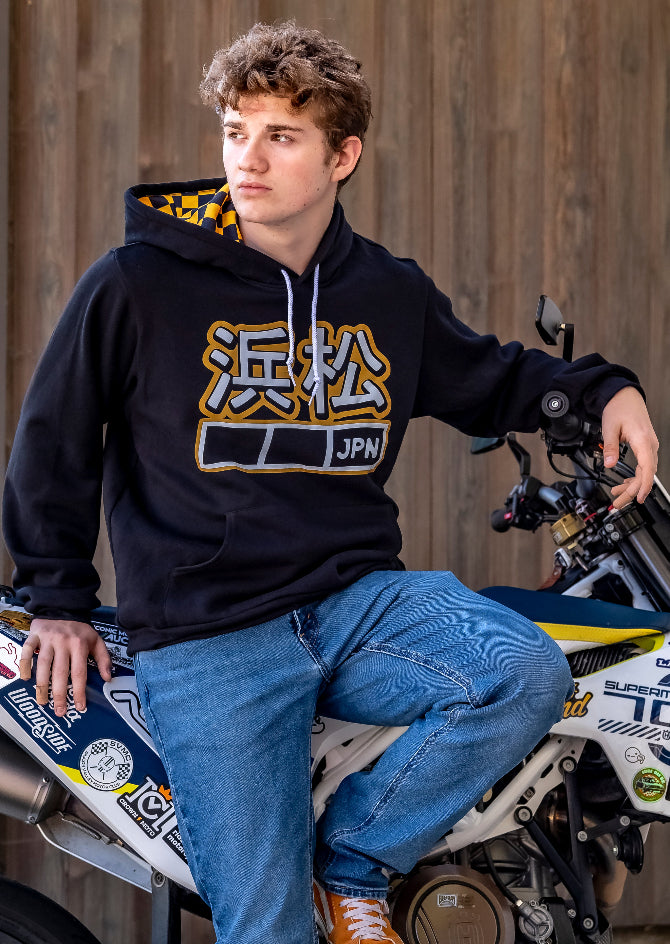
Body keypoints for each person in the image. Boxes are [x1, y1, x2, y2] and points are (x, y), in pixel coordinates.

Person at [2, 20, 658, 944]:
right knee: (267, 931)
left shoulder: (384, 293)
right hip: (208, 637)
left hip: (359, 603)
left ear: (342, 154)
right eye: (236, 131)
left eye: (281, 135)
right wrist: (58, 597)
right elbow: (52, 441)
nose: (249, 159)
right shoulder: (138, 284)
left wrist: (604, 390)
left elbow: (494, 377)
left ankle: (352, 865)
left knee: (522, 671)